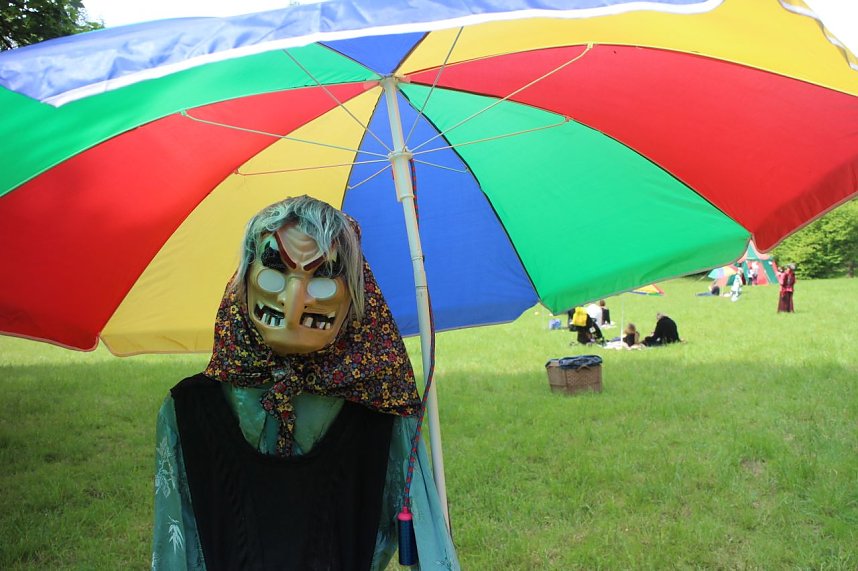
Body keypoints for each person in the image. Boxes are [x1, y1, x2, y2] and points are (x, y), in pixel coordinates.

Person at [151, 196, 458, 570]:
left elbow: (430, 549)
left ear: (357, 292)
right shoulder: (186, 410)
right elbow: (173, 550)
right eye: (274, 271)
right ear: (243, 281)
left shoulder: (381, 410)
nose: (295, 299)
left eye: (325, 276)